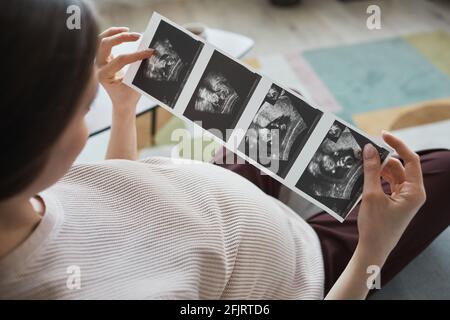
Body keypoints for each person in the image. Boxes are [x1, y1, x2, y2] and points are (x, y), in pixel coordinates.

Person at [0, 0, 449, 300]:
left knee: (283, 109)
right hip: (302, 265)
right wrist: (374, 248)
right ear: (32, 144)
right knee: (436, 171)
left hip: (206, 198)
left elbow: (117, 197)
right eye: (83, 110)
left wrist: (122, 111)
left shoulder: (24, 193)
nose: (90, 105)